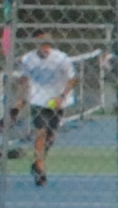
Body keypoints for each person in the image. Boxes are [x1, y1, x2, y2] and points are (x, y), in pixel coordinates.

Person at [15, 33, 77, 185]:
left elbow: (72, 79)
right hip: (38, 100)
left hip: (57, 101)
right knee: (40, 131)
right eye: (40, 44)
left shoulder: (62, 59)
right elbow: (25, 78)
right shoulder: (28, 59)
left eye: (46, 44)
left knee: (51, 134)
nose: (44, 48)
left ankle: (39, 160)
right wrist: (21, 98)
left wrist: (61, 97)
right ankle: (40, 166)